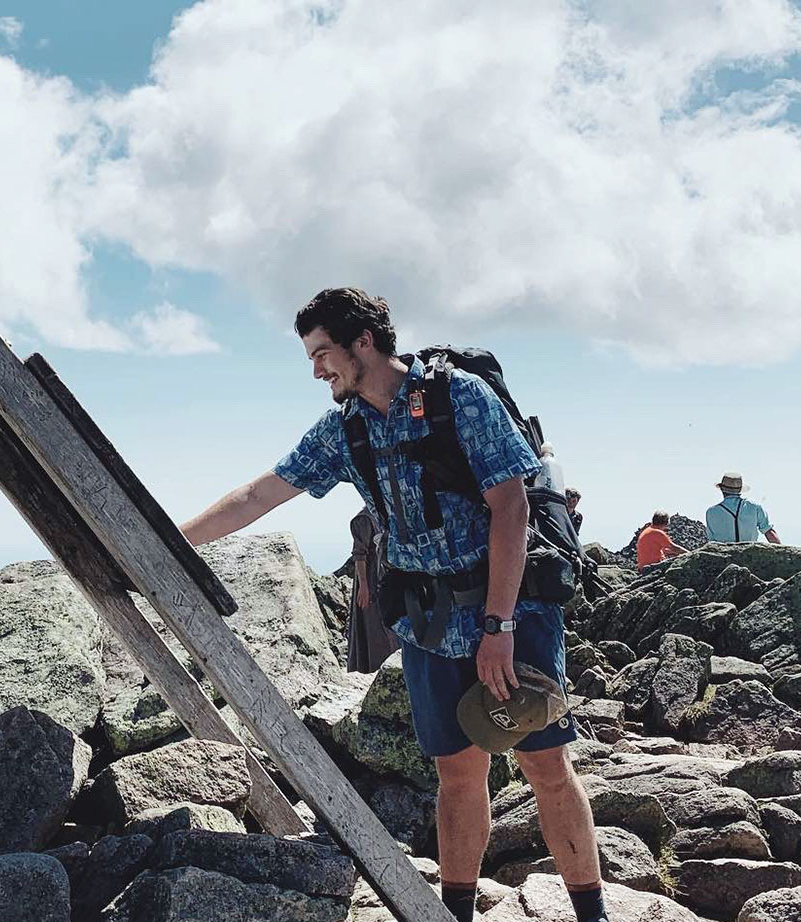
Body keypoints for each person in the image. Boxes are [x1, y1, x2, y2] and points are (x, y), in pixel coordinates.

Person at [180, 288, 607, 922]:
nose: (317, 370)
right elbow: (257, 495)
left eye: (323, 353)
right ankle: (455, 914)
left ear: (364, 343)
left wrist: (500, 626)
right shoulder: (345, 427)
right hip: (430, 625)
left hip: (512, 611)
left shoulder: (458, 397)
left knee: (544, 764)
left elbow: (511, 508)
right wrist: (169, 537)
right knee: (457, 776)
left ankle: (591, 913)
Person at [348, 506, 398, 672]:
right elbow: (359, 556)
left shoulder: (382, 513)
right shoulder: (363, 519)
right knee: (374, 625)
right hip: (369, 580)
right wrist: (364, 587)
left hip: (383, 577)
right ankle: (374, 667)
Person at [705, 473, 781, 544]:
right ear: (740, 490)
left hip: (723, 556)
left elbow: (712, 541)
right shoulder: (754, 507)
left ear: (722, 489)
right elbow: (769, 533)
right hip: (750, 555)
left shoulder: (711, 512)